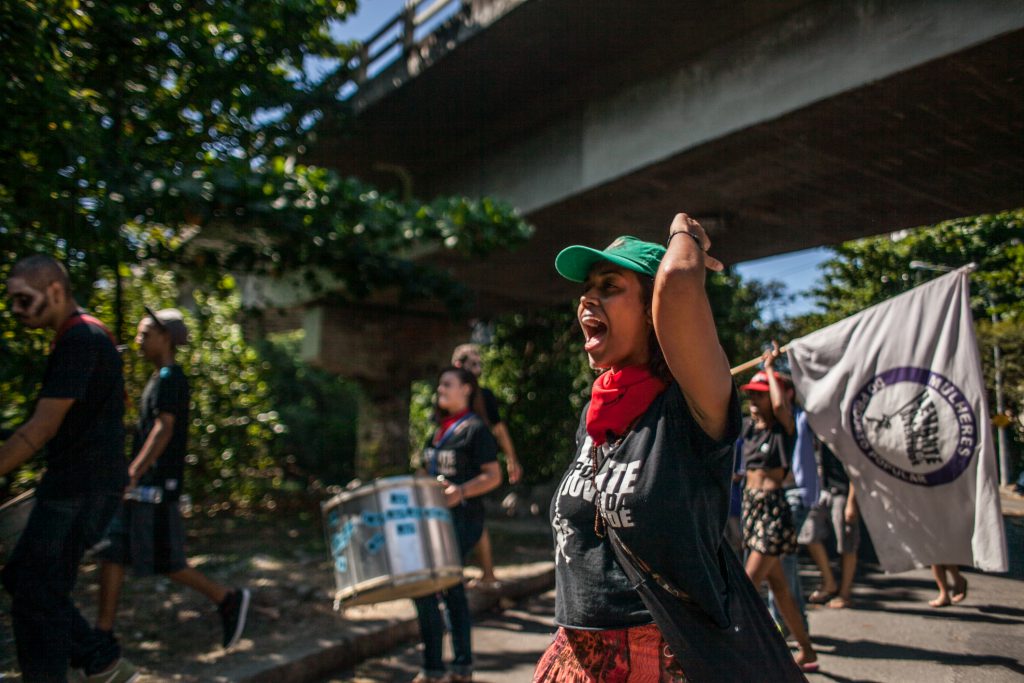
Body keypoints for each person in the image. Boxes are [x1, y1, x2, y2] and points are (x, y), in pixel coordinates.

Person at [534, 217, 808, 682]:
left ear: (650, 311)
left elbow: (679, 282)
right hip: (579, 654)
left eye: (610, 285)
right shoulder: (597, 414)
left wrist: (685, 231)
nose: (587, 297)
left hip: (660, 657)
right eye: (586, 287)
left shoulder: (692, 406)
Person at [0, 255, 138, 682]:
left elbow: (40, 428)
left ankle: (97, 663)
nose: (18, 311)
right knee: (32, 583)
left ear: (55, 291)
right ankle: (100, 662)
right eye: (12, 303)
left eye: (25, 300)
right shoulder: (84, 336)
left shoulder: (81, 338)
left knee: (33, 588)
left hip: (80, 487)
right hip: (82, 484)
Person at [93, 308, 251, 653]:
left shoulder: (170, 379)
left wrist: (134, 471)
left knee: (167, 560)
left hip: (155, 489)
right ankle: (102, 634)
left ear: (165, 337)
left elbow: (165, 429)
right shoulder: (159, 378)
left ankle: (227, 598)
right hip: (141, 488)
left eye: (145, 333)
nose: (138, 340)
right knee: (113, 551)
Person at [411, 366, 502, 683]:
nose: (441, 390)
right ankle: (448, 667)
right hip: (434, 523)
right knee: (439, 591)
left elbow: (494, 476)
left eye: (447, 384)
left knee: (436, 588)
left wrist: (460, 491)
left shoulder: (475, 429)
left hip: (463, 521)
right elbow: (425, 469)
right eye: (439, 385)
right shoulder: (436, 429)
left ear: (466, 389)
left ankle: (444, 668)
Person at [739, 348, 819, 671]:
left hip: (773, 512)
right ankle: (808, 650)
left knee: (746, 585)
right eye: (752, 397)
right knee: (780, 590)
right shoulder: (748, 430)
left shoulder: (782, 427)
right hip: (751, 509)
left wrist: (769, 369)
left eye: (759, 396)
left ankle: (741, 656)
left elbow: (778, 404)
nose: (756, 402)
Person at [451, 343, 523, 588]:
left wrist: (512, 459)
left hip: (477, 468)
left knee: (474, 517)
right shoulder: (449, 396)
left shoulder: (485, 397)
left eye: (480, 363)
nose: (479, 369)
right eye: (473, 364)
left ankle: (487, 574)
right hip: (454, 468)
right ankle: (461, 574)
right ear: (459, 365)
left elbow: (499, 429)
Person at [769, 400, 820, 630]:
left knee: (776, 565)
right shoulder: (761, 427)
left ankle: (783, 627)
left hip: (795, 494)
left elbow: (780, 406)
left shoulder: (794, 418)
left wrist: (768, 368)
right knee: (781, 565)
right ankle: (795, 629)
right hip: (771, 501)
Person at [804, 442, 860, 610]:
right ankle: (829, 582)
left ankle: (845, 593)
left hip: (842, 491)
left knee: (847, 543)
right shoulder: (818, 429)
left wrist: (852, 501)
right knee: (809, 534)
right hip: (821, 490)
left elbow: (856, 470)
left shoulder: (844, 432)